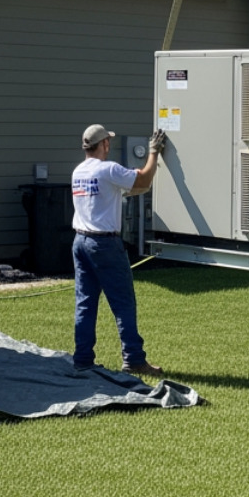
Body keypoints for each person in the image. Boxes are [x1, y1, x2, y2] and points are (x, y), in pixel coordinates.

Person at [71, 123, 166, 376]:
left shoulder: (78, 171)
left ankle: (82, 360)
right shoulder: (108, 169)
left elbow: (130, 189)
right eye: (108, 142)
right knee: (123, 302)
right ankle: (133, 359)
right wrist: (154, 152)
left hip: (80, 242)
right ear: (104, 144)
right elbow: (143, 180)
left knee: (85, 303)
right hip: (105, 244)